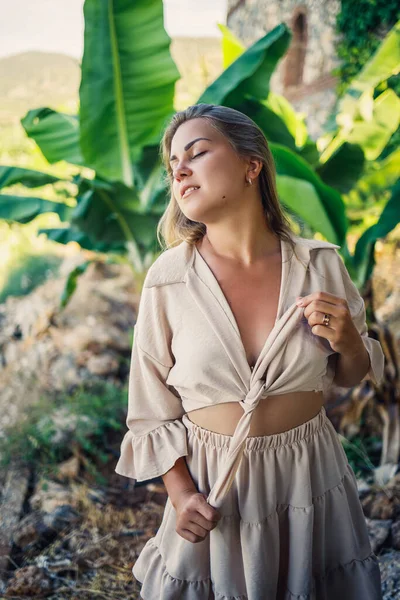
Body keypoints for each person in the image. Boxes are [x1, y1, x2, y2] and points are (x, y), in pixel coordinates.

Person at [115, 103, 385, 599]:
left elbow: (351, 375)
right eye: (174, 163)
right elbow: (150, 409)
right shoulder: (169, 279)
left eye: (196, 153)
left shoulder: (319, 264)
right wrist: (181, 495)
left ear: (250, 165)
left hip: (309, 472)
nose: (179, 170)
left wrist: (348, 340)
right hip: (216, 485)